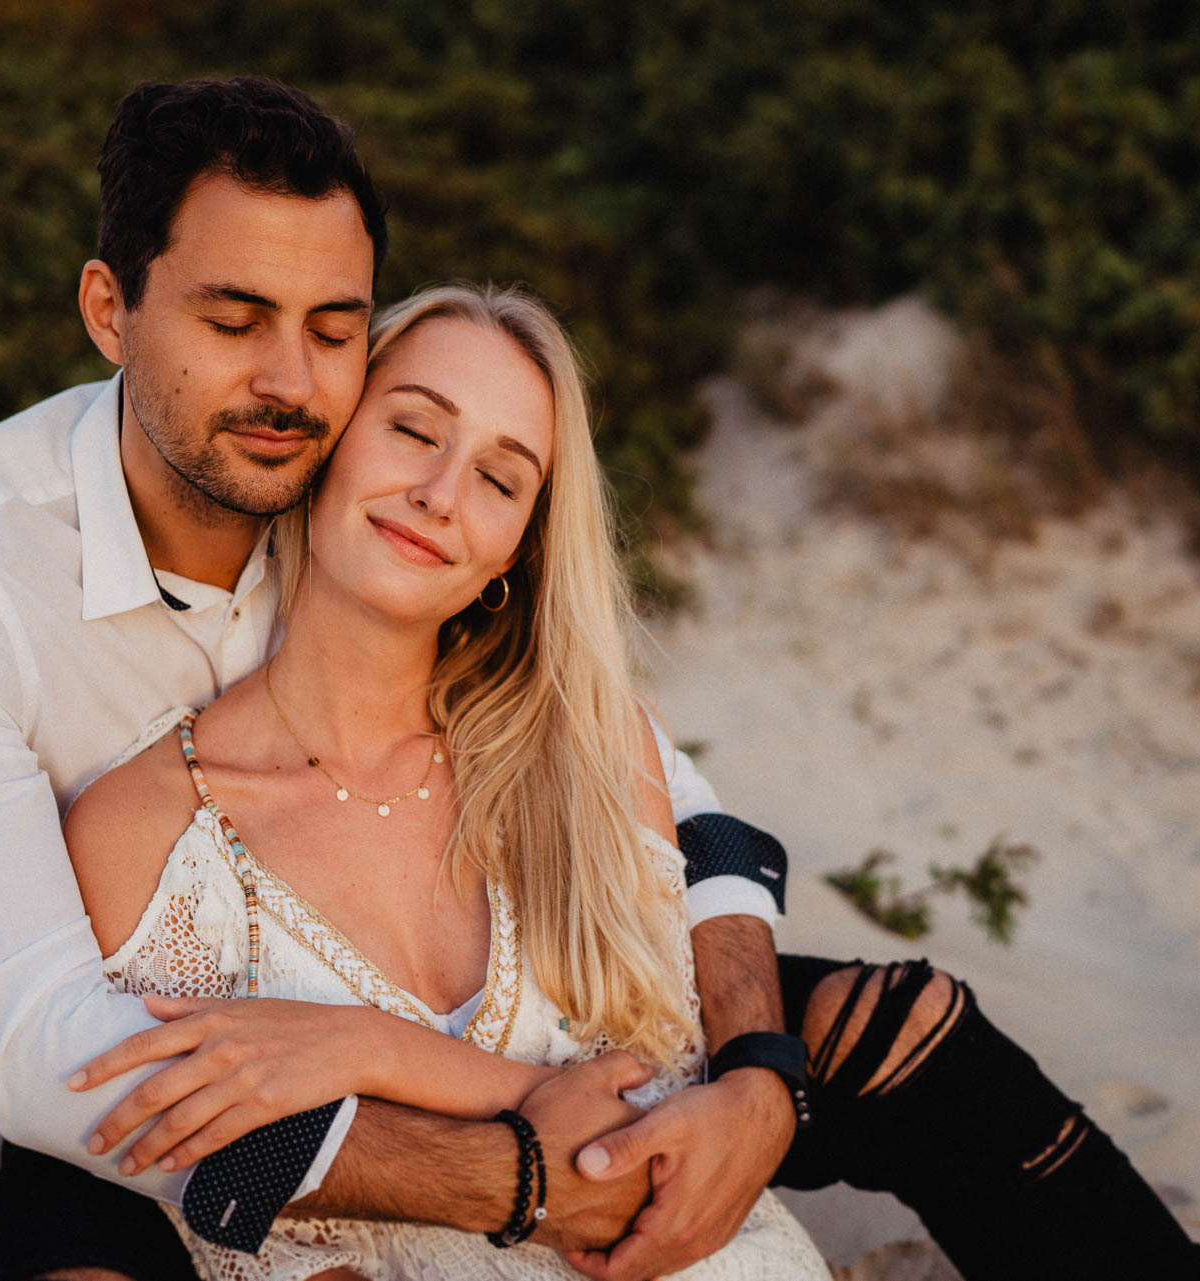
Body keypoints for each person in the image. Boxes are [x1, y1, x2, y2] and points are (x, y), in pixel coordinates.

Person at [0, 77, 1200, 1281]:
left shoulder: (354, 467)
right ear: (109, 307)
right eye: (232, 318)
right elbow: (49, 1056)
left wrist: (756, 1083)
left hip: (509, 993)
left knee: (907, 1033)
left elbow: (700, 829)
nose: (288, 379)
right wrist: (518, 1163)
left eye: (334, 328)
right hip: (181, 1051)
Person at [63, 281, 833, 1281]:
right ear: (329, 437)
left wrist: (368, 1053)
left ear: (513, 553)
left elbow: (653, 1126)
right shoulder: (149, 834)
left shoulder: (586, 754)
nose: (440, 495)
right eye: (415, 429)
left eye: (500, 481)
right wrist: (501, 1102)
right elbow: (208, 1184)